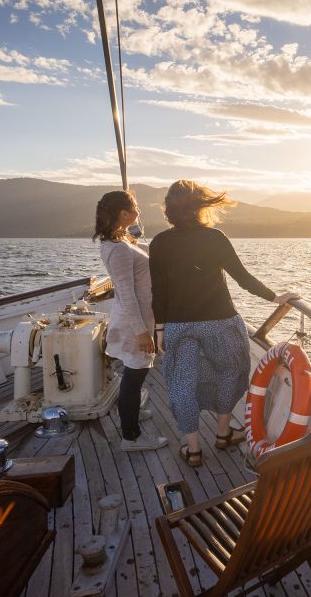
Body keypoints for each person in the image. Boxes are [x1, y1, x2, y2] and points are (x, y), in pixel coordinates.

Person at [149, 180, 296, 467]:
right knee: (231, 372)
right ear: (200, 207)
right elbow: (243, 278)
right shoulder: (215, 238)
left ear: (168, 209)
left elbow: (159, 291)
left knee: (182, 385)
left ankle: (193, 450)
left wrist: (159, 329)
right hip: (220, 322)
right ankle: (223, 433)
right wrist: (275, 297)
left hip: (179, 325)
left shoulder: (160, 243)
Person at [94, 190, 168, 452]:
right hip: (133, 321)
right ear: (123, 213)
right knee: (135, 375)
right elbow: (125, 293)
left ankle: (130, 412)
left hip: (137, 317)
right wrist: (141, 332)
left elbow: (146, 251)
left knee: (135, 373)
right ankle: (131, 437)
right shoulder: (117, 250)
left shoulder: (121, 242)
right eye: (135, 207)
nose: (139, 210)